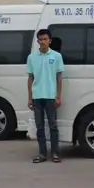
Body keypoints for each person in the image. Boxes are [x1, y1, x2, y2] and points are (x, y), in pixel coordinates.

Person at [27, 28, 65, 163]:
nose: (42, 41)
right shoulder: (32, 57)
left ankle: (55, 153)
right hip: (37, 96)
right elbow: (30, 78)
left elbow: (59, 77)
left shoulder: (56, 56)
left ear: (50, 41)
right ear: (37, 41)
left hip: (51, 96)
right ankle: (42, 154)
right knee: (40, 127)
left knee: (53, 126)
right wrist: (30, 97)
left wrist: (58, 96)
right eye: (40, 39)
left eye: (45, 39)